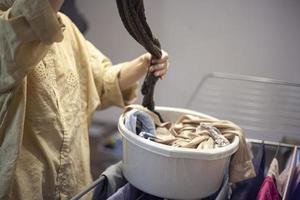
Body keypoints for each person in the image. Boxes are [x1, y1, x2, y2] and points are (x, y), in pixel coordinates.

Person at [0, 0, 169, 199]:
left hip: (76, 187)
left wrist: (143, 65)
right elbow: (27, 24)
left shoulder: (67, 30)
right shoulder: (8, 28)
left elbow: (102, 80)